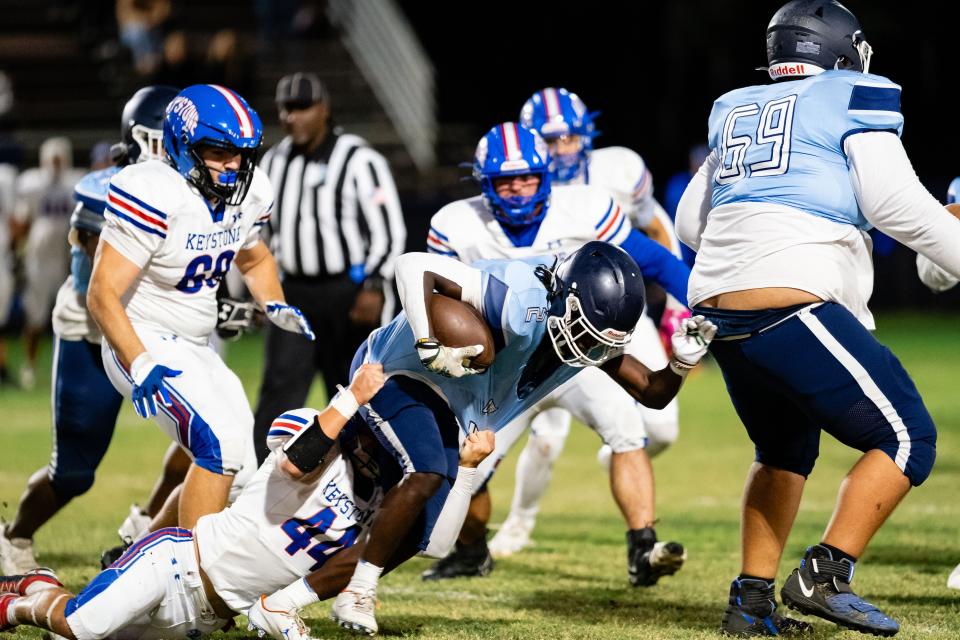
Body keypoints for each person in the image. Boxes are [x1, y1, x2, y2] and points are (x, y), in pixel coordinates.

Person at [675, 1, 960, 635]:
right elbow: (894, 203)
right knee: (908, 438)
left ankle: (750, 605)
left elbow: (691, 223)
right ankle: (824, 574)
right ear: (842, 50)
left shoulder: (736, 104)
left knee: (782, 451)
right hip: (788, 300)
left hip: (720, 308)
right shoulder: (854, 92)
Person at [296, 241, 717, 636]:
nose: (589, 347)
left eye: (598, 340)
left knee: (432, 538)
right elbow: (412, 264)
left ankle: (287, 597)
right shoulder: (522, 299)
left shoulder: (584, 333)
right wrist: (428, 340)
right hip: (399, 373)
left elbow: (651, 392)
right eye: (586, 331)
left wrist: (680, 362)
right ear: (563, 299)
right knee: (414, 474)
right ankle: (353, 589)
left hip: (456, 404)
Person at [0, 363, 495, 640]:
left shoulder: (390, 499)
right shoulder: (314, 425)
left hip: (209, 616)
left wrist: (467, 469)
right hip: (179, 562)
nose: (374, 453)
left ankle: (43, 590)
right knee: (80, 627)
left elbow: (434, 542)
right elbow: (293, 464)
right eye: (372, 440)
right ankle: (21, 600)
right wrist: (351, 399)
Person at [420, 122, 693, 587]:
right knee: (466, 464)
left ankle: (642, 547)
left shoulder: (584, 207)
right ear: (484, 183)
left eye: (527, 177)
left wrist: (701, 302)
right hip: (502, 365)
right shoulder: (456, 224)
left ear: (546, 176)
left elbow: (653, 261)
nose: (519, 189)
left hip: (577, 354)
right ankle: (471, 551)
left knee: (626, 432)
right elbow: (434, 296)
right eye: (506, 181)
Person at [87, 84, 314, 532]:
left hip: (195, 342)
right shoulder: (154, 190)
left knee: (243, 473)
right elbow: (101, 294)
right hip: (142, 336)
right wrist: (141, 361)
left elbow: (254, 255)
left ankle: (138, 561)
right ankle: (188, 578)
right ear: (181, 145)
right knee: (222, 450)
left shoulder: (249, 192)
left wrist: (274, 303)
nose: (233, 165)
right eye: (218, 151)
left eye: (241, 154)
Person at [478, 90, 688, 565]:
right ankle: (517, 523)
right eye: (551, 141)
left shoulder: (613, 179)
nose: (561, 149)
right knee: (545, 437)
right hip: (540, 327)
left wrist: (682, 300)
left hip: (617, 314)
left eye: (570, 137)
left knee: (661, 426)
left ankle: (616, 462)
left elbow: (656, 229)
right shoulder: (508, 194)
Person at [0, 86, 182, 575]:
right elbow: (93, 289)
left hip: (160, 332)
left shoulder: (194, 190)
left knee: (208, 442)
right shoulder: (104, 191)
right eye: (181, 134)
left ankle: (145, 527)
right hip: (95, 333)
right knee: (75, 472)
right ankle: (14, 536)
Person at [252, 71, 406, 464]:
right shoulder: (273, 160)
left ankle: (374, 479)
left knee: (359, 390)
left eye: (302, 108)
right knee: (278, 393)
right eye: (286, 109)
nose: (292, 117)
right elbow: (260, 235)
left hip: (348, 292)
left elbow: (389, 231)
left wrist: (373, 285)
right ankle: (263, 482)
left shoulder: (359, 159)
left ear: (324, 109)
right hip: (294, 295)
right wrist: (258, 292)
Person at [12, 137, 85, 389]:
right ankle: (29, 366)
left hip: (67, 257)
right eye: (52, 158)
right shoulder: (33, 184)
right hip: (40, 259)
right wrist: (16, 250)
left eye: (59, 158)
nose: (55, 164)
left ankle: (72, 368)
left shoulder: (75, 184)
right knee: (35, 316)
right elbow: (22, 221)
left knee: (74, 314)